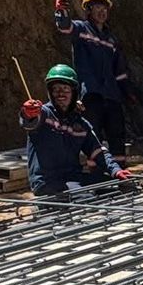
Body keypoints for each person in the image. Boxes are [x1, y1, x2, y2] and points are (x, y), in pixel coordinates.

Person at [20, 64, 130, 199]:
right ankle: (48, 208)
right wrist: (28, 114)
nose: (60, 93)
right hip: (47, 182)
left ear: (74, 92)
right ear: (50, 92)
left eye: (65, 89)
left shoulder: (81, 124)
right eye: (56, 89)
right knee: (87, 198)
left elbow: (98, 151)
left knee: (116, 187)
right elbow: (29, 121)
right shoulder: (43, 114)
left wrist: (116, 171)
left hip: (73, 177)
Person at [53, 0, 134, 166]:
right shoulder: (82, 29)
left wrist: (127, 92)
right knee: (93, 137)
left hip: (111, 96)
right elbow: (66, 27)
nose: (102, 11)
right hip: (91, 95)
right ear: (88, 10)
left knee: (117, 136)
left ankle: (120, 173)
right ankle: (97, 176)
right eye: (97, 7)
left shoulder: (111, 39)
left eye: (104, 8)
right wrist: (61, 12)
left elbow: (119, 70)